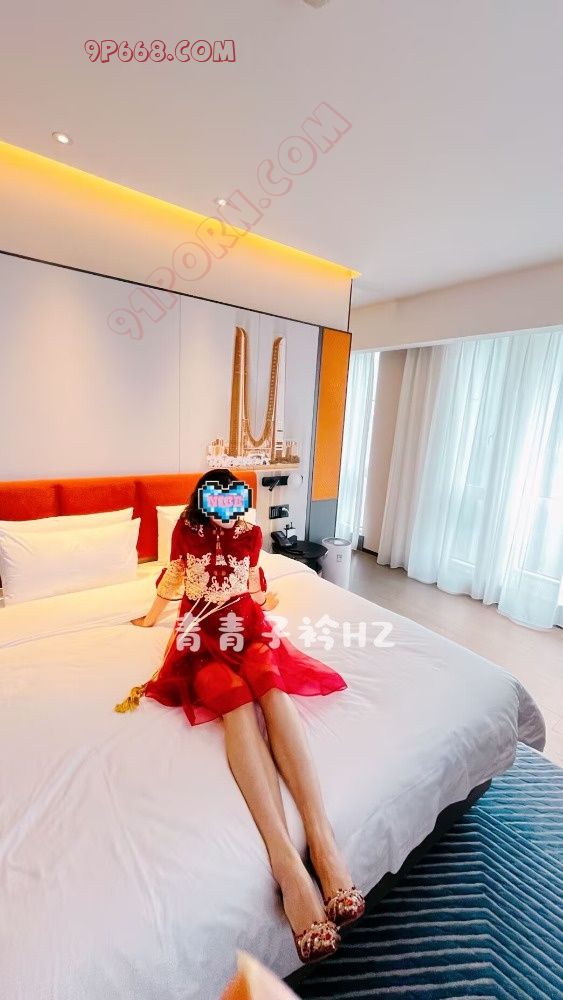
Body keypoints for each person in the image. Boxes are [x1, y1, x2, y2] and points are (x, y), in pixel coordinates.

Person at [116, 470, 365, 964]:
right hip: (201, 640)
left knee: (270, 684)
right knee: (233, 699)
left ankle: (322, 840)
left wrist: (266, 599)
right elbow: (174, 578)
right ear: (204, 500)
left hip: (246, 630)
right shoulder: (185, 529)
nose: (227, 508)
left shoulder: (251, 534)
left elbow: (252, 581)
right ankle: (286, 861)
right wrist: (149, 619)